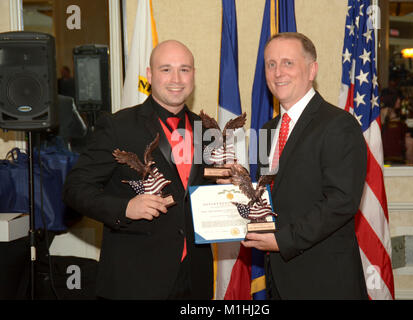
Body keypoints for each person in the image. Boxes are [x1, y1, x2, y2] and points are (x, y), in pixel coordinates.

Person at [63, 40, 213, 299]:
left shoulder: (209, 130)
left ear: (194, 75)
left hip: (195, 279)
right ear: (150, 74)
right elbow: (75, 189)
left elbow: (208, 194)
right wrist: (125, 208)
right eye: (166, 69)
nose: (176, 78)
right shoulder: (117, 126)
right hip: (135, 280)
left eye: (184, 69)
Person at [241, 32, 368, 299]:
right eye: (270, 64)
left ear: (312, 70)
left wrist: (283, 240)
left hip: (325, 281)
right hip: (279, 278)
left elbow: (342, 201)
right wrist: (235, 189)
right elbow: (271, 195)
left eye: (288, 63)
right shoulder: (268, 129)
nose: (278, 73)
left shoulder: (338, 124)